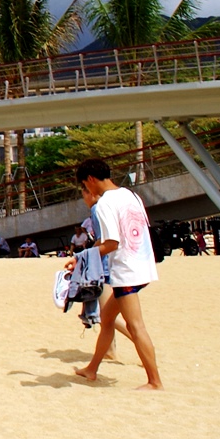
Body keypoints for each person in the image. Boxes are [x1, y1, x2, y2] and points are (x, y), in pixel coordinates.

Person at [70, 157, 161, 390]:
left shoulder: (104, 204)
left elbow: (110, 243)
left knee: (135, 326)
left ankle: (154, 381)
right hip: (143, 263)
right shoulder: (131, 195)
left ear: (91, 179)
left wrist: (82, 259)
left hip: (126, 270)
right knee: (107, 319)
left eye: (85, 185)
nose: (87, 191)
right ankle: (92, 369)